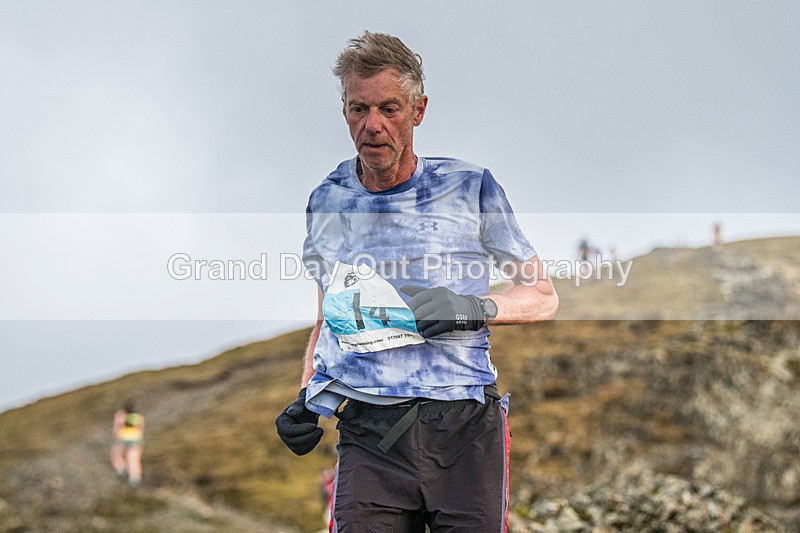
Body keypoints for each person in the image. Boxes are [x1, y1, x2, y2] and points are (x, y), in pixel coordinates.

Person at [276, 31, 558, 532]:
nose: (373, 126)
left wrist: (473, 308)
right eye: (359, 109)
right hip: (369, 432)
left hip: (464, 429)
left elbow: (542, 296)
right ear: (344, 110)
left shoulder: (470, 187)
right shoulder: (327, 201)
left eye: (390, 108)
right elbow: (328, 316)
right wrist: (305, 396)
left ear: (419, 110)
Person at [111, 402, 144, 486]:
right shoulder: (138, 416)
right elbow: (141, 428)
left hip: (123, 438)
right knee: (133, 458)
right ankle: (135, 477)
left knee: (117, 455)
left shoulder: (121, 414)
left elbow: (117, 427)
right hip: (136, 438)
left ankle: (122, 471)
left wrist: (116, 436)